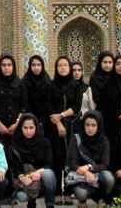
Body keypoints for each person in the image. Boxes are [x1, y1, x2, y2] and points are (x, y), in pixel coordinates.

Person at [48, 56, 82, 205]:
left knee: (70, 157)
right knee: (57, 158)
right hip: (54, 128)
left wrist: (61, 116)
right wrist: (58, 123)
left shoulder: (76, 86)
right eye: (60, 65)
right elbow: (48, 106)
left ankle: (68, 192)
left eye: (65, 65)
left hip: (72, 126)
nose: (63, 68)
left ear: (69, 68)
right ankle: (57, 192)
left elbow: (77, 106)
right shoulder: (51, 85)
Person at [67, 110, 114, 208]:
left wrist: (89, 167)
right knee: (82, 194)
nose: (90, 128)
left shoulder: (104, 140)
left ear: (99, 126)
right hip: (80, 176)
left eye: (93, 125)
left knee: (109, 177)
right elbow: (73, 163)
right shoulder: (76, 139)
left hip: (97, 175)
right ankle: (82, 201)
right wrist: (85, 172)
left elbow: (105, 164)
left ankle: (100, 199)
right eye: (87, 125)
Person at [9, 114, 56, 208]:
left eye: (31, 127)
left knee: (48, 174)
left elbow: (49, 164)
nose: (28, 131)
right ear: (20, 128)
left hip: (42, 178)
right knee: (21, 197)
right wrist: (22, 178)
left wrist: (38, 172)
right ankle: (31, 202)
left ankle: (50, 203)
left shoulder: (44, 142)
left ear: (36, 127)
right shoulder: (16, 144)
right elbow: (16, 168)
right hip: (28, 180)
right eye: (25, 128)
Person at [0, 53, 28, 151]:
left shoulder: (19, 83)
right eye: (4, 65)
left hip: (16, 127)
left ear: (13, 66)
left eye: (9, 65)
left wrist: (17, 123)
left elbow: (24, 105)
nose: (6, 68)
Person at [23, 55, 52, 134]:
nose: (36, 68)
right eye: (33, 65)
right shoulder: (25, 82)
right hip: (29, 121)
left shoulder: (47, 82)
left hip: (45, 121)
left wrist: (43, 121)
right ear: (29, 66)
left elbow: (48, 102)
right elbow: (24, 102)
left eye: (39, 65)